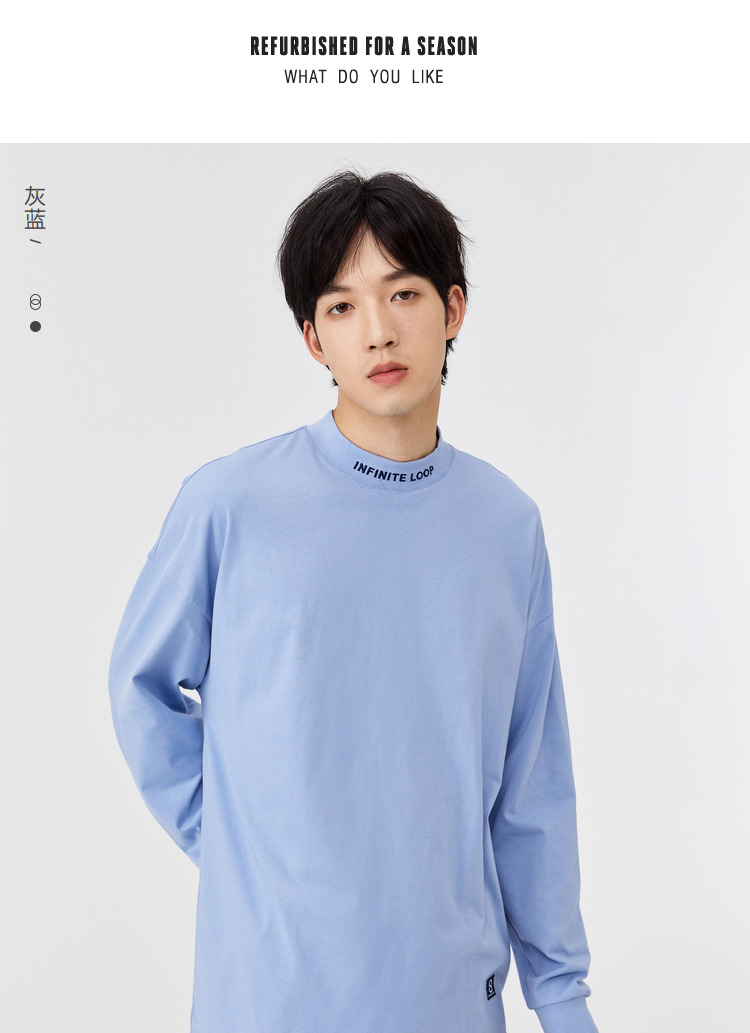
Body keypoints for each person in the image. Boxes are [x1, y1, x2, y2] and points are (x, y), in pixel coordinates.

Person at [108, 170, 599, 1033]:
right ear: (313, 339)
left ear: (453, 308)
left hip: (452, 998)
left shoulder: (505, 526)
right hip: (270, 999)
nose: (378, 330)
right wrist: (238, 845)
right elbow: (140, 687)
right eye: (341, 307)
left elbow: (531, 788)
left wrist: (561, 998)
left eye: (403, 293)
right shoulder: (231, 505)